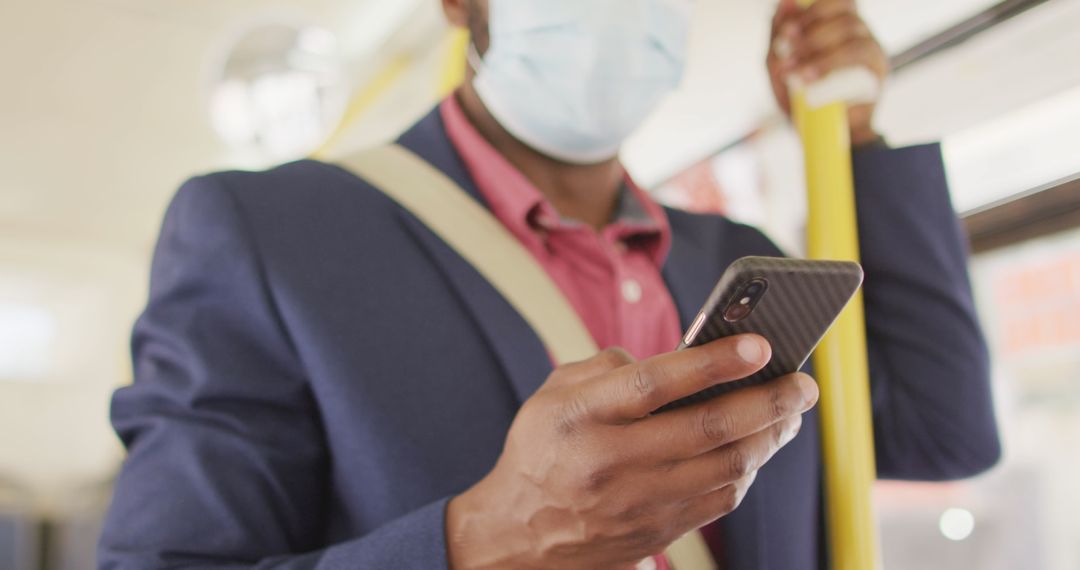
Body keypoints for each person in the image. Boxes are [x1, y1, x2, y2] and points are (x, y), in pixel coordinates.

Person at [98, 0, 1001, 568]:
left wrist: (854, 140)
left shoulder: (735, 253)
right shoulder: (269, 235)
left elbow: (944, 432)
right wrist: (488, 541)